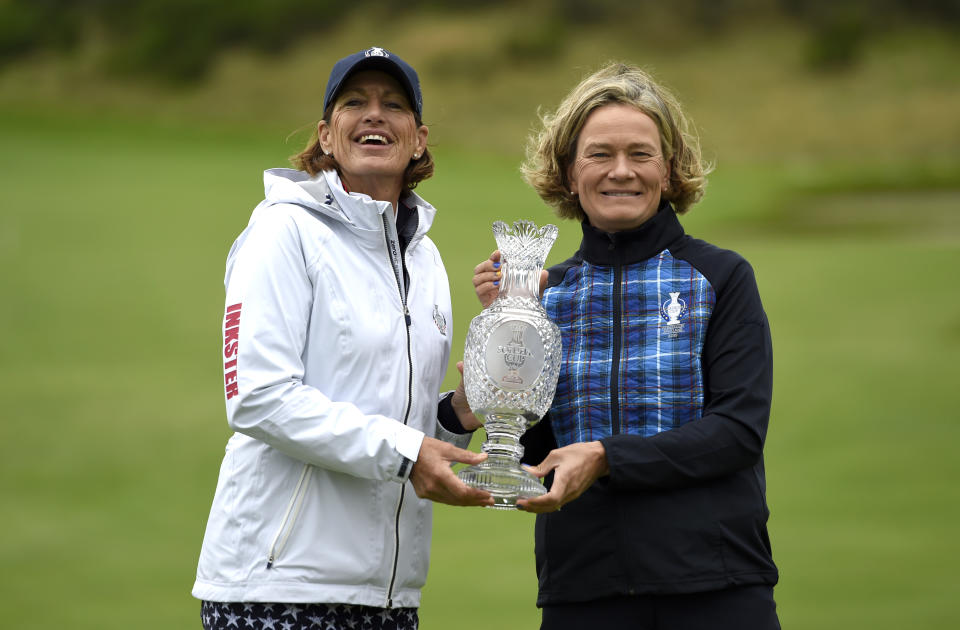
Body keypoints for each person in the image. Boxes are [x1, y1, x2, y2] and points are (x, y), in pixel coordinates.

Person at [192, 46, 493, 630]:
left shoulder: (423, 257)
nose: (374, 114)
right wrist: (408, 455)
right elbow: (259, 396)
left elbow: (395, 420)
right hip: (276, 586)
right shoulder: (282, 230)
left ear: (420, 137)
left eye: (393, 105)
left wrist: (460, 412)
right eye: (354, 103)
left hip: (389, 593)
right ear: (327, 136)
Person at [471, 62, 780, 629]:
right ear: (568, 172)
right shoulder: (543, 295)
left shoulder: (721, 277)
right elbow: (535, 452)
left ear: (669, 170)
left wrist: (607, 457)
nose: (621, 172)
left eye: (641, 154)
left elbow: (737, 432)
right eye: (599, 154)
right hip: (584, 591)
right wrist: (505, 340)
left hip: (717, 587)